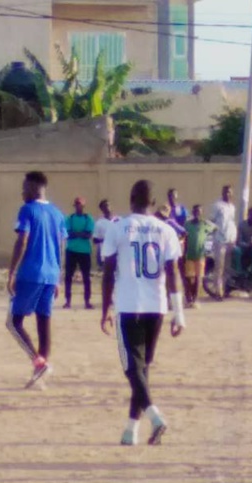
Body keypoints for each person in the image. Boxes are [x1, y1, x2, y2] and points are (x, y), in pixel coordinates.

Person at [100, 179, 185, 447]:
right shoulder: (166, 230)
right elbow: (173, 273)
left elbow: (108, 273)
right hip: (156, 306)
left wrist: (105, 309)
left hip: (128, 306)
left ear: (130, 199)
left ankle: (154, 415)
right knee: (142, 370)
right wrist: (179, 313)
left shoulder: (118, 228)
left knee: (131, 368)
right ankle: (130, 430)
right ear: (152, 202)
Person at [6, 171, 67, 389]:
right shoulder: (58, 214)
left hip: (31, 274)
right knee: (44, 321)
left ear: (33, 187)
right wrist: (58, 276)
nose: (22, 191)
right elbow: (61, 246)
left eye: (24, 187)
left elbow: (23, 240)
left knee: (13, 323)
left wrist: (12, 272)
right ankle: (40, 372)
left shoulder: (27, 210)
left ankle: (39, 362)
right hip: (51, 275)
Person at [63, 197, 95, 309]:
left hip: (85, 252)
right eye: (76, 204)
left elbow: (88, 235)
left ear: (83, 206)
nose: (78, 206)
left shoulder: (88, 218)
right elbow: (68, 234)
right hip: (71, 251)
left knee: (86, 277)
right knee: (68, 277)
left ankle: (87, 301)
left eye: (80, 204)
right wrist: (81, 234)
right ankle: (68, 301)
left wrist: (75, 234)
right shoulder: (70, 218)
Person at [183, 205, 215, 308]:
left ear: (201, 213)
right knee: (188, 278)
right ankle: (189, 297)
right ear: (193, 212)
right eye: (195, 212)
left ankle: (195, 299)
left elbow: (214, 229)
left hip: (200, 255)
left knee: (198, 278)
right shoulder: (187, 224)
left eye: (199, 212)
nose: (197, 214)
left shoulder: (205, 224)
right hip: (189, 254)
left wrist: (208, 248)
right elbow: (183, 237)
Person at [210, 185, 237, 298]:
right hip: (220, 240)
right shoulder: (217, 206)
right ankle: (218, 291)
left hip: (230, 240)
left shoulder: (232, 207)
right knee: (219, 267)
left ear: (232, 194)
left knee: (227, 267)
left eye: (229, 192)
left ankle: (225, 290)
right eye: (225, 192)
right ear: (222, 193)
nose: (227, 194)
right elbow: (212, 221)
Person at [93, 199, 118, 268]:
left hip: (118, 252)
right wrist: (106, 239)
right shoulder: (99, 223)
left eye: (108, 205)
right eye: (105, 206)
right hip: (105, 254)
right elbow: (95, 240)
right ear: (102, 209)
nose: (108, 207)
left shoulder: (119, 220)